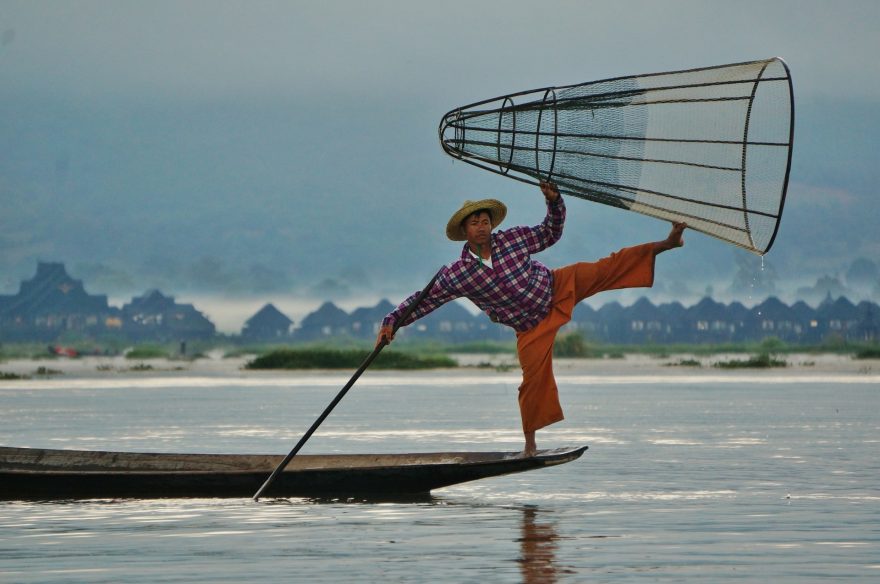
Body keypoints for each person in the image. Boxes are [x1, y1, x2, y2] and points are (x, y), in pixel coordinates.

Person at [376, 181, 686, 456]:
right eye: (475, 224)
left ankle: (666, 244)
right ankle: (530, 445)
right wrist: (392, 321)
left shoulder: (512, 239)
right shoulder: (457, 274)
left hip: (557, 287)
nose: (482, 227)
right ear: (465, 233)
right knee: (532, 381)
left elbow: (550, 233)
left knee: (607, 267)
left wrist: (554, 201)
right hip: (530, 328)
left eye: (485, 221)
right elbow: (425, 300)